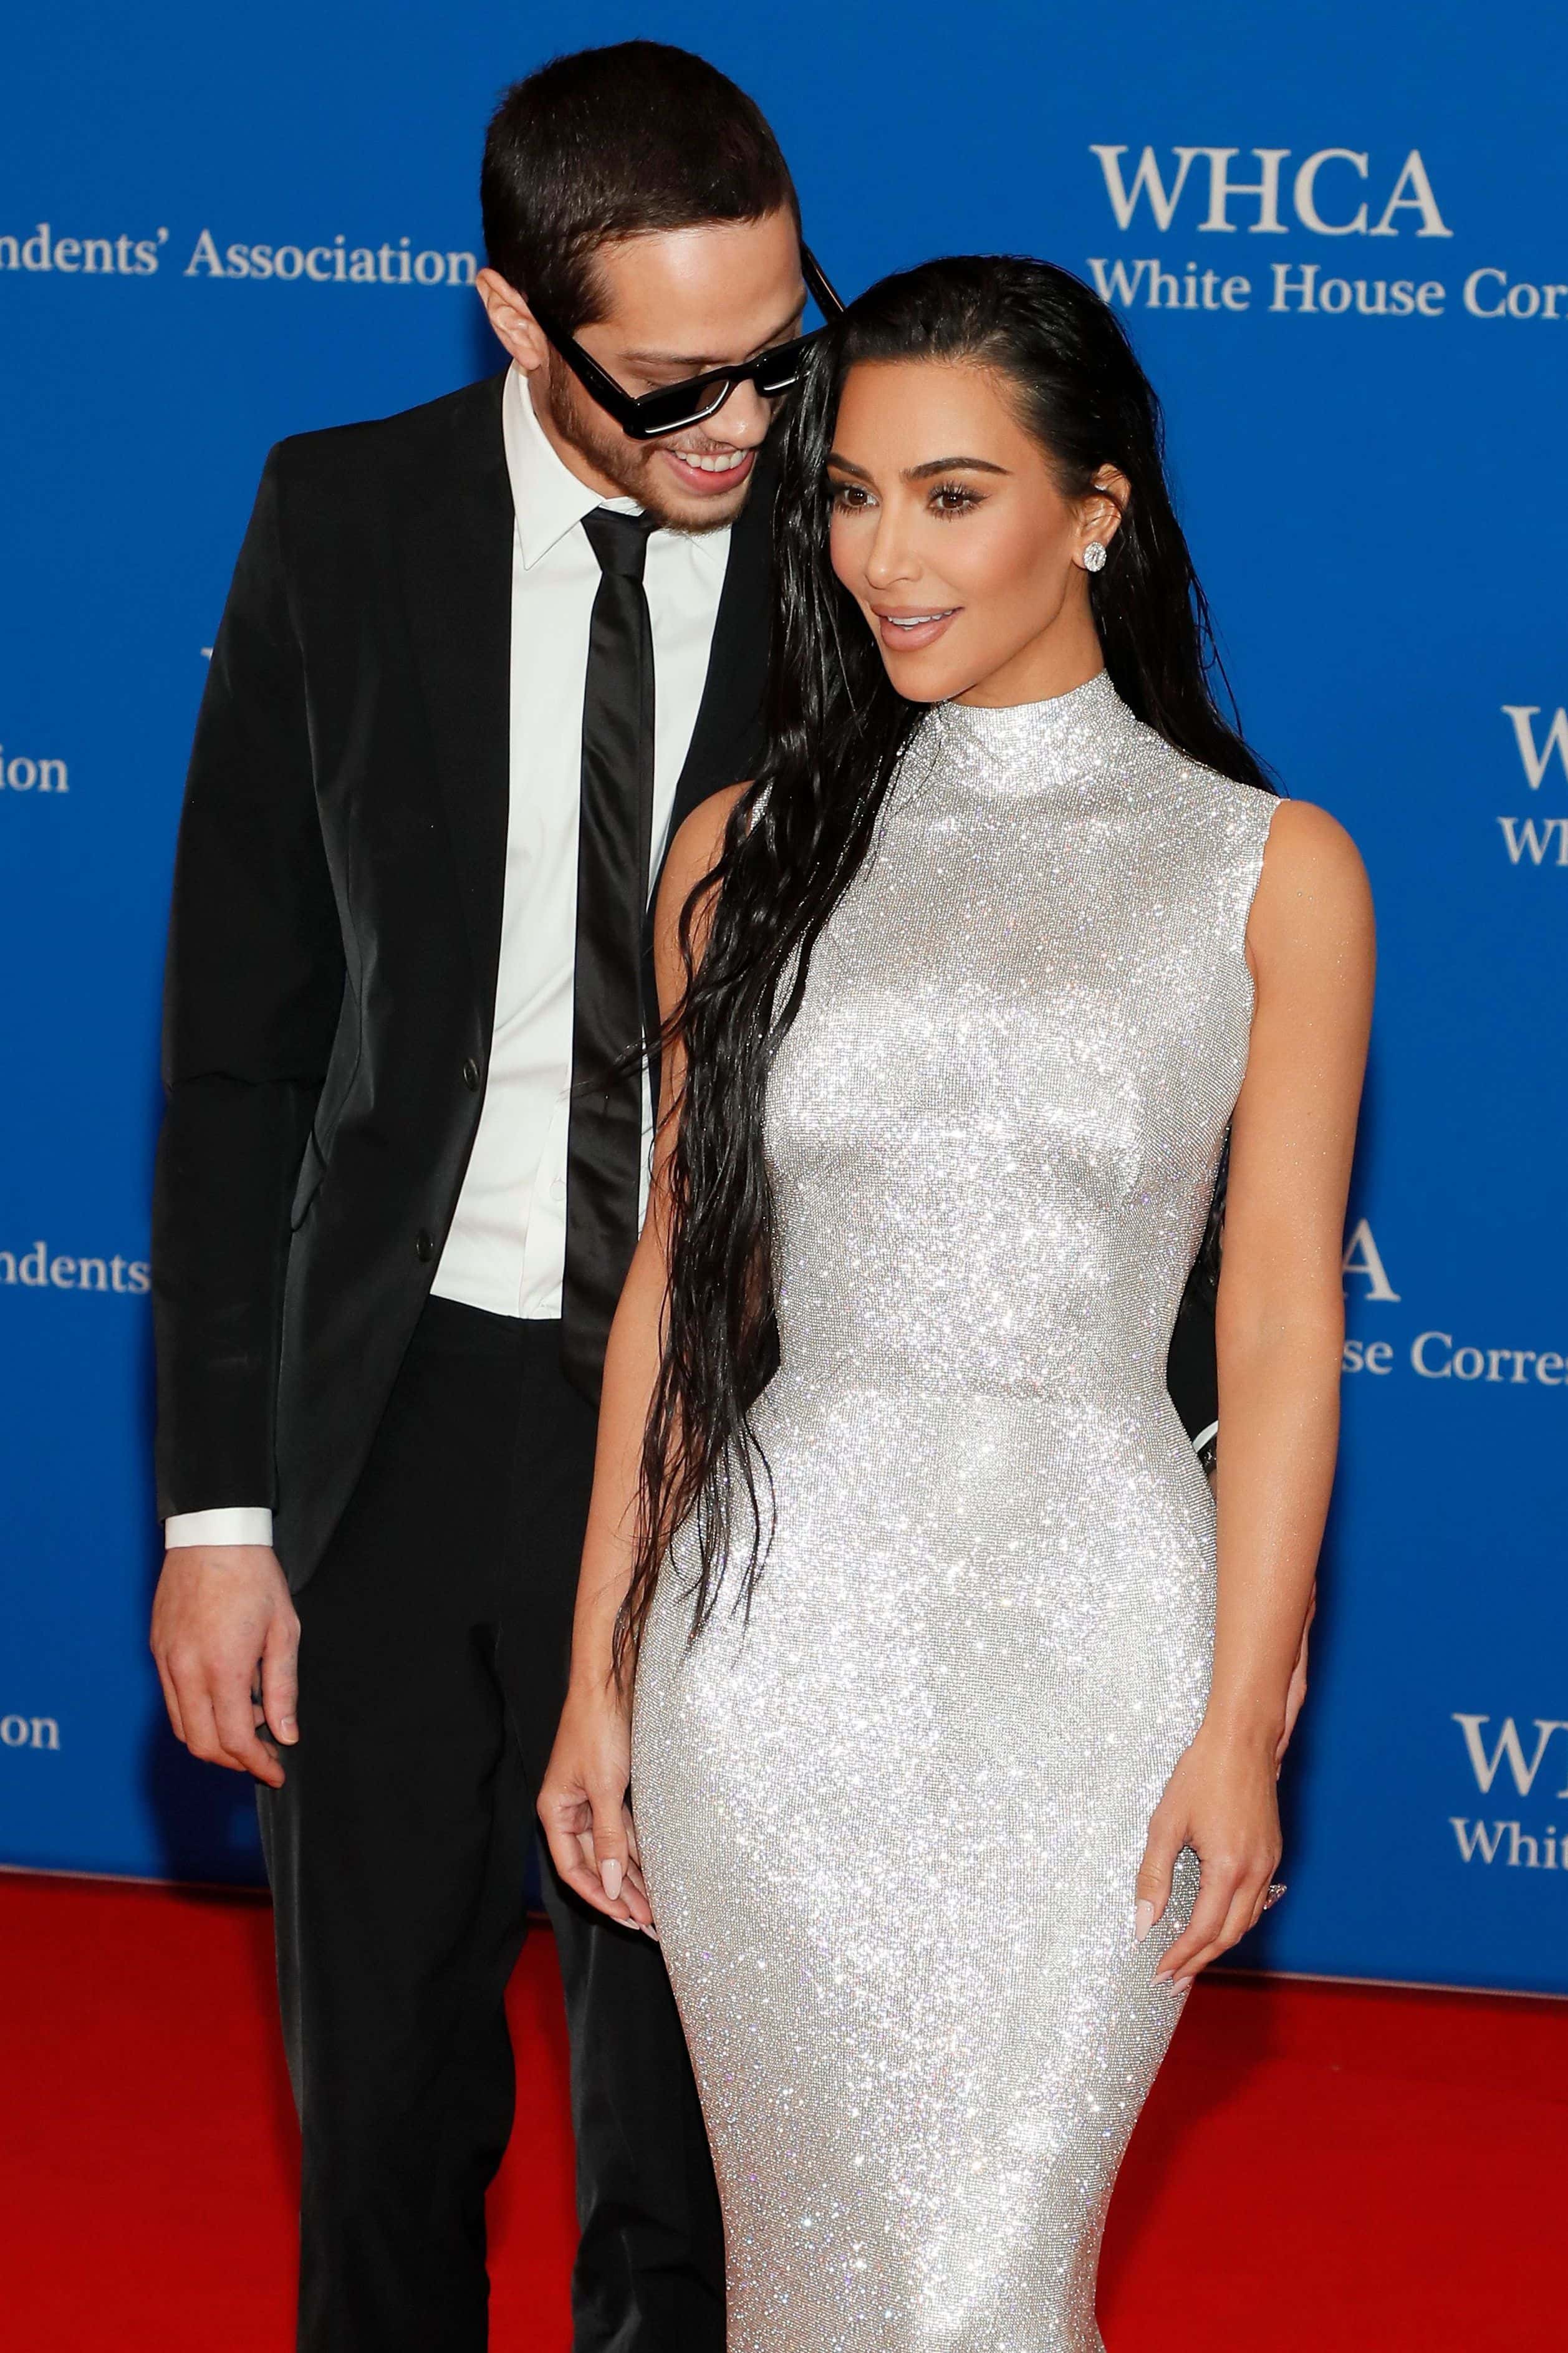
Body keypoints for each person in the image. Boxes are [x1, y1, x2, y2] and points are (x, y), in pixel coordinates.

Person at [539, 255, 1372, 2352]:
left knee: (978, 2292)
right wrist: (600, 1673)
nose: (880, 555)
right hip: (775, 1652)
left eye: (949, 496)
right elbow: (676, 1292)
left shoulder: (1264, 870)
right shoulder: (742, 855)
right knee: (812, 2290)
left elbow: (1274, 1330)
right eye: (847, 496)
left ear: (1093, 508)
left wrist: (1241, 1716)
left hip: (1090, 1649)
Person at [147, 40, 834, 2353]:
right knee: (384, 2117)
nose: (744, 420)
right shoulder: (340, 522)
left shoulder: (880, 548)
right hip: (402, 1421)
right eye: (676, 383)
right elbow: (240, 1051)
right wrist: (220, 1518)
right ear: (514, 320)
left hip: (741, 1430)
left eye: (782, 341)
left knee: (694, 2136)